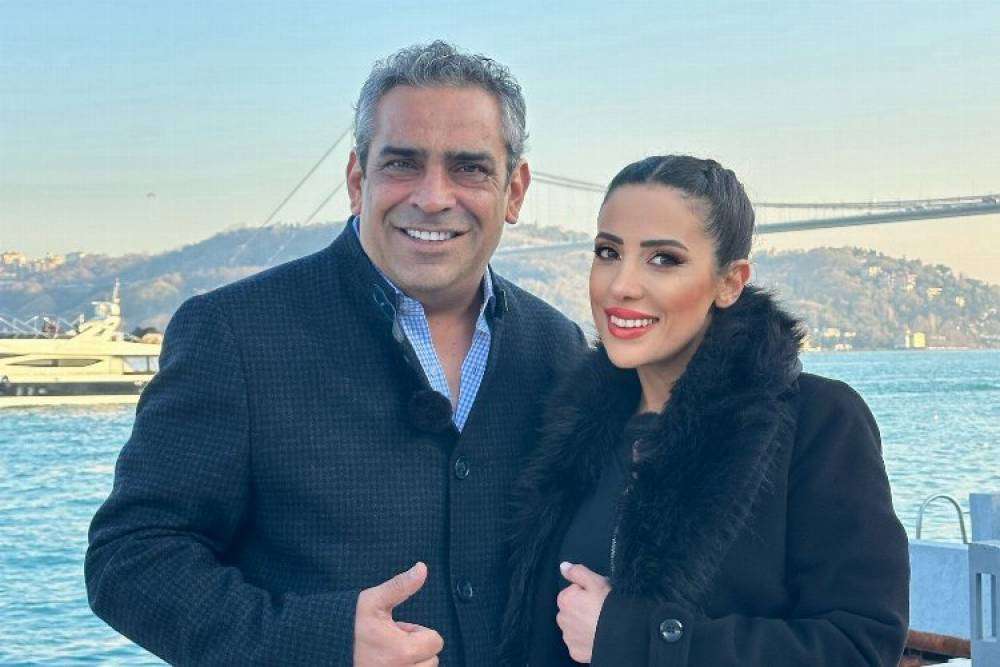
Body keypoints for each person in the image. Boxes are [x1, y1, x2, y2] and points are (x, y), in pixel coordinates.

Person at [85, 41, 586, 666]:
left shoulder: (559, 350)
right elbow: (130, 558)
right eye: (402, 163)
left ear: (515, 191)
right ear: (357, 180)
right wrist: (321, 641)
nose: (433, 196)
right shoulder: (235, 333)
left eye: (470, 168)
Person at [500, 155, 910, 665]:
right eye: (608, 252)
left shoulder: (817, 423)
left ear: (730, 282)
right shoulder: (569, 429)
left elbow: (859, 647)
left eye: (663, 259)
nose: (621, 284)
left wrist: (635, 637)